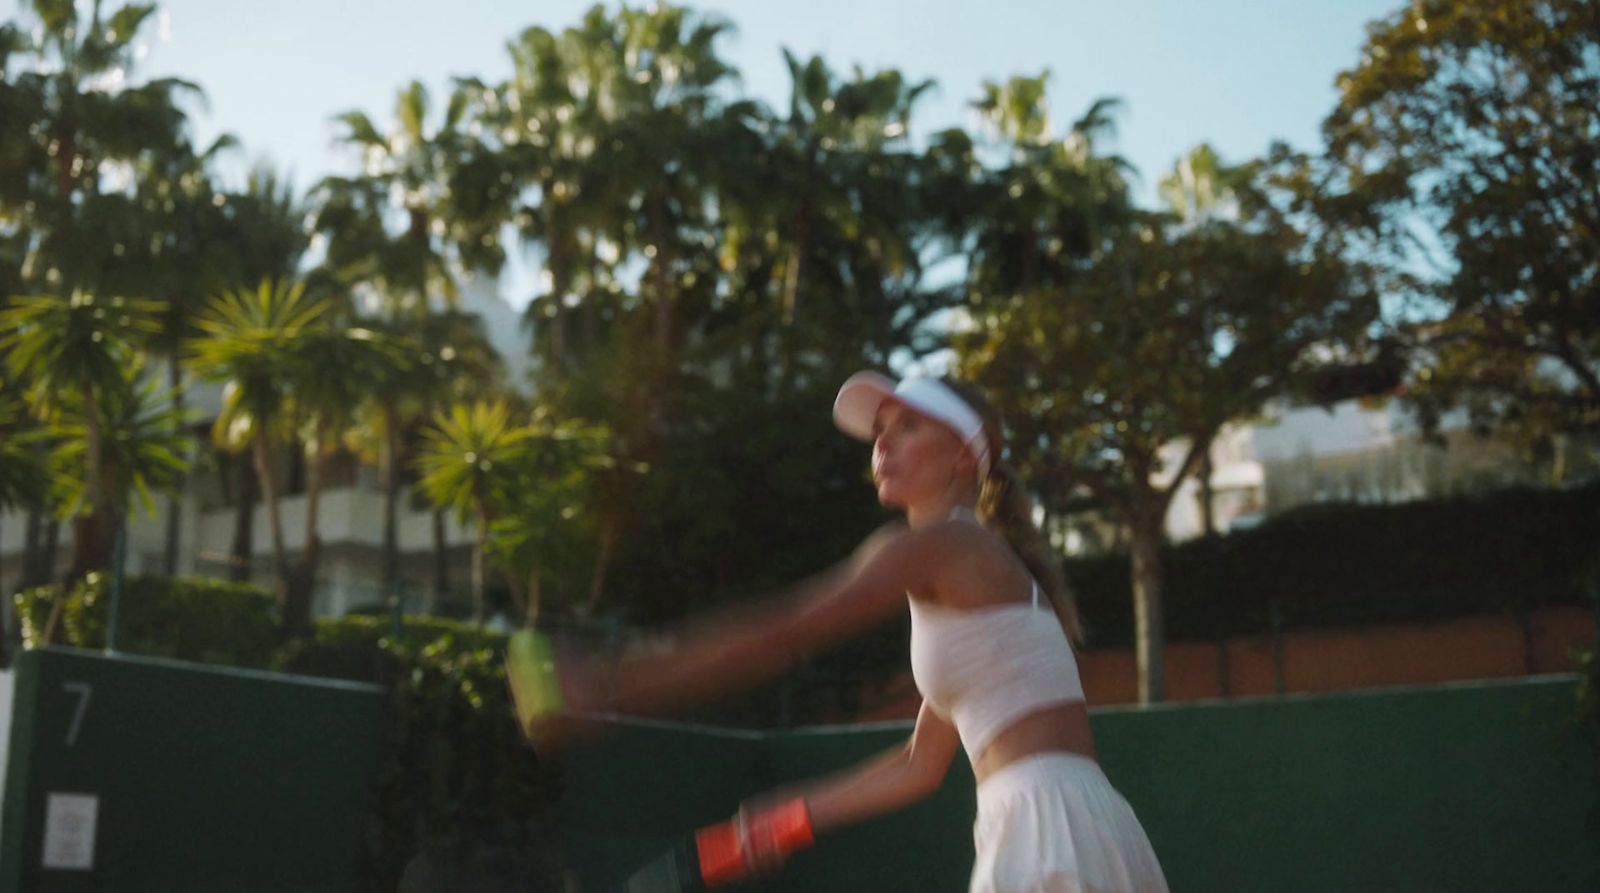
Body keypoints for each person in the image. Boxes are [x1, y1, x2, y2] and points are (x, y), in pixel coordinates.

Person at [532, 371, 1169, 893]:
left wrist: (604, 684)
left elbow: (789, 628)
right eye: (880, 432)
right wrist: (789, 818)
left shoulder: (943, 547)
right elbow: (918, 765)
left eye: (909, 426)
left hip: (1045, 830)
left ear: (961, 457)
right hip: (1074, 825)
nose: (883, 445)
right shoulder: (970, 576)